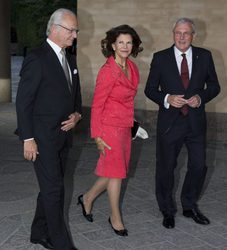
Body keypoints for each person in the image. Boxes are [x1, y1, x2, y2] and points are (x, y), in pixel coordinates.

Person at [144, 17, 220, 229]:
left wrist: (201, 97)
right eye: (178, 33)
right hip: (170, 124)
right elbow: (150, 89)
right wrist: (167, 98)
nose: (182, 37)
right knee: (166, 168)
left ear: (193, 35)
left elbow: (214, 86)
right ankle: (167, 210)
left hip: (195, 123)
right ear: (173, 34)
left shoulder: (204, 56)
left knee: (199, 165)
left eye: (186, 33)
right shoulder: (160, 58)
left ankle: (189, 205)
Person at [16, 8, 82, 250]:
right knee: (54, 190)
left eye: (75, 30)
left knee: (51, 187)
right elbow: (23, 102)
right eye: (71, 30)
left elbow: (74, 95)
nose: (75, 35)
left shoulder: (70, 58)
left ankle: (38, 232)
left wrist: (77, 114)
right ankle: (61, 242)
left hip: (64, 137)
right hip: (42, 139)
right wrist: (28, 138)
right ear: (55, 29)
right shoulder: (37, 58)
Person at [77, 24, 143, 236]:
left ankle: (87, 198)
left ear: (133, 45)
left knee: (115, 170)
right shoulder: (108, 71)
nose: (125, 46)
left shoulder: (132, 67)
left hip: (124, 127)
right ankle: (115, 217)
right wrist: (97, 136)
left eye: (128, 42)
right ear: (113, 45)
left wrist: (133, 126)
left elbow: (127, 101)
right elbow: (97, 105)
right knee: (116, 175)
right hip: (108, 129)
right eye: (120, 42)